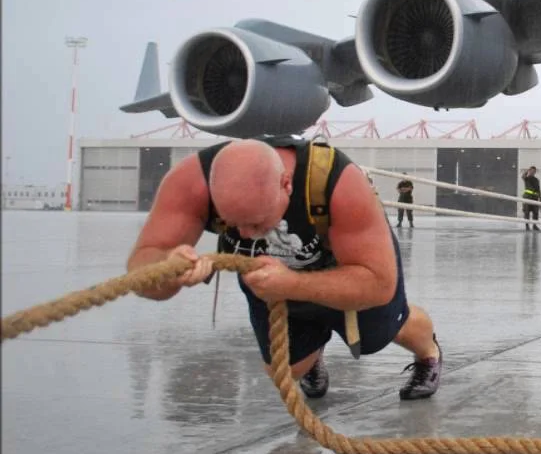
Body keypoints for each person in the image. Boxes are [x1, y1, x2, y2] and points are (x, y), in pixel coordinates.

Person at [124, 136, 443, 401]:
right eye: (233, 224)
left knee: (386, 331)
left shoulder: (338, 183)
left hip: (348, 268)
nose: (246, 235)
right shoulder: (190, 183)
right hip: (271, 281)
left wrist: (291, 284)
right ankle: (313, 345)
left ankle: (428, 353)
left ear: (286, 184)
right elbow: (141, 272)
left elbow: (377, 284)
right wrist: (168, 268)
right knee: (285, 370)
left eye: (256, 223)